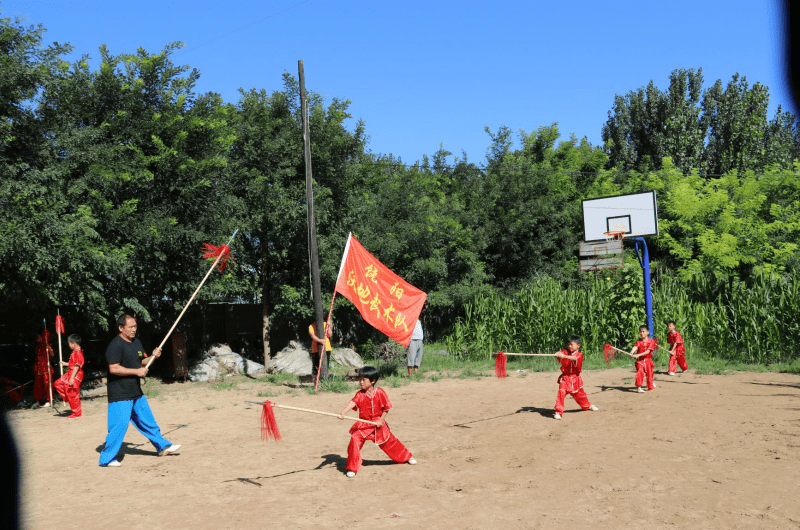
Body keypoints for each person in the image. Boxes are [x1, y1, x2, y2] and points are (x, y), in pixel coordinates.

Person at [98, 314, 180, 467]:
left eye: (135, 326)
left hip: (135, 391)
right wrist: (136, 372)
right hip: (120, 393)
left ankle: (163, 447)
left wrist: (153, 357)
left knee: (148, 422)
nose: (134, 330)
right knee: (119, 426)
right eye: (131, 327)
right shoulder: (115, 345)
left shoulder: (136, 343)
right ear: (121, 328)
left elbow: (141, 362)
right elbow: (113, 368)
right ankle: (106, 459)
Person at [338, 366, 416, 477]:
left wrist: (380, 420)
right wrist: (343, 413)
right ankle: (352, 467)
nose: (361, 382)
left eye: (363, 380)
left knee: (390, 442)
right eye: (360, 379)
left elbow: (386, 408)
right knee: (355, 439)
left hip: (378, 424)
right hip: (364, 424)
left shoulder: (380, 392)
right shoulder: (360, 394)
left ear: (373, 380)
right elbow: (353, 403)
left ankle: (407, 457)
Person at [553, 336, 599, 420]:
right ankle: (558, 412)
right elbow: (559, 353)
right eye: (568, 344)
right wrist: (557, 354)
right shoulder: (565, 352)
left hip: (575, 379)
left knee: (580, 395)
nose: (569, 346)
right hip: (565, 378)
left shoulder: (580, 355)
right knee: (561, 393)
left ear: (578, 345)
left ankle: (587, 406)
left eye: (571, 344)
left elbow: (574, 358)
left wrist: (564, 356)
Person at [53, 334, 85, 418]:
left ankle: (76, 413)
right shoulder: (75, 352)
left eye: (69, 343)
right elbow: (72, 364)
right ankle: (68, 398)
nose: (69, 345)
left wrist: (72, 378)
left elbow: (77, 366)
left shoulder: (78, 353)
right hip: (70, 373)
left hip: (75, 375)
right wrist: (65, 364)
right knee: (58, 383)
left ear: (74, 343)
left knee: (73, 393)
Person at [629, 325, 657, 393]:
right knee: (640, 372)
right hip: (640, 361)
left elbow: (648, 351)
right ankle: (639, 387)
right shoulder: (638, 341)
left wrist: (638, 354)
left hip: (648, 360)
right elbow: (635, 346)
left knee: (650, 373)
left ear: (647, 332)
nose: (642, 333)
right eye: (640, 332)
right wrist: (632, 352)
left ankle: (651, 383)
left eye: (643, 331)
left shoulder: (651, 341)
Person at [32, 331, 54, 407]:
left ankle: (49, 400)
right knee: (37, 385)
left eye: (38, 337)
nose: (37, 338)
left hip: (45, 368)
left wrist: (49, 349)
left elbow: (52, 354)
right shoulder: (37, 347)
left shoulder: (47, 345)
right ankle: (37, 401)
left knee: (47, 384)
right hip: (38, 368)